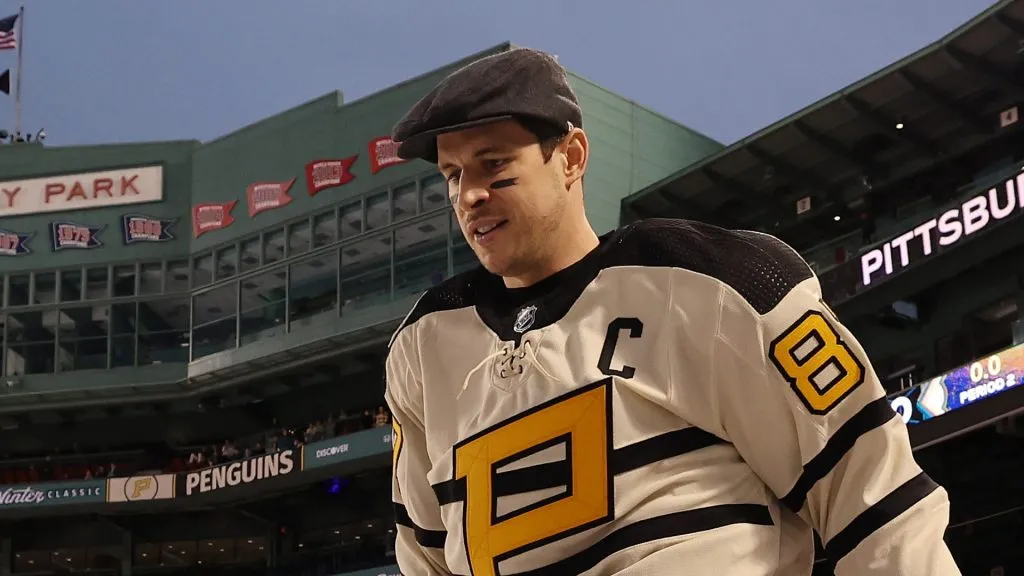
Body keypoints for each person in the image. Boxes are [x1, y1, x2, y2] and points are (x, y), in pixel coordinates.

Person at [384, 47, 961, 576]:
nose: (468, 195)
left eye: (493, 164)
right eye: (453, 175)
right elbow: (426, 563)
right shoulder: (424, 349)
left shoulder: (716, 284)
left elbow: (877, 506)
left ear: (571, 157)